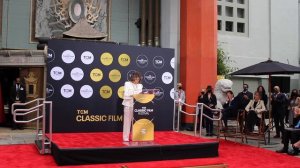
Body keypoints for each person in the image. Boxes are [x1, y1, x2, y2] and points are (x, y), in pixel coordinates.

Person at [122, 72, 143, 141]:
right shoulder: (127, 83)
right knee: (127, 122)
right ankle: (126, 137)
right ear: (132, 78)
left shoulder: (140, 85)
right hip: (128, 105)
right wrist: (135, 94)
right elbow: (126, 94)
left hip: (137, 107)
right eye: (136, 78)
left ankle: (135, 136)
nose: (137, 80)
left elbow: (139, 96)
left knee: (136, 122)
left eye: (138, 79)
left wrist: (133, 94)